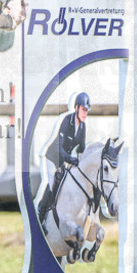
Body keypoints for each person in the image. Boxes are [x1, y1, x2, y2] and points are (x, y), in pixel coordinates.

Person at [37, 91, 90, 222]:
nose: (85, 113)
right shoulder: (67, 121)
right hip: (53, 157)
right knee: (52, 185)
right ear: (76, 107)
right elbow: (60, 149)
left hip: (64, 160)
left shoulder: (82, 126)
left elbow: (82, 149)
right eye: (83, 109)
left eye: (86, 111)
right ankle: (41, 214)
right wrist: (71, 159)